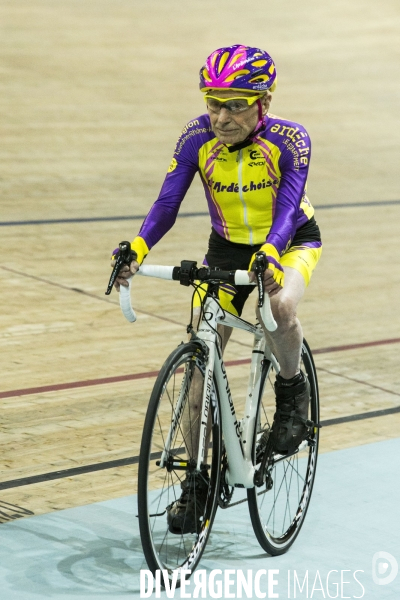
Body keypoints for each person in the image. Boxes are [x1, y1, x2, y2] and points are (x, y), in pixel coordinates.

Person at [113, 44, 322, 533]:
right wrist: (138, 249)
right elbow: (167, 202)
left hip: (287, 241)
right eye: (213, 103)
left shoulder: (290, 141)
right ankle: (198, 479)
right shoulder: (195, 138)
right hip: (226, 251)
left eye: (234, 104)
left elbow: (290, 206)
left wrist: (272, 250)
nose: (221, 116)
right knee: (198, 364)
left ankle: (292, 395)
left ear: (262, 103)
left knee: (281, 305)